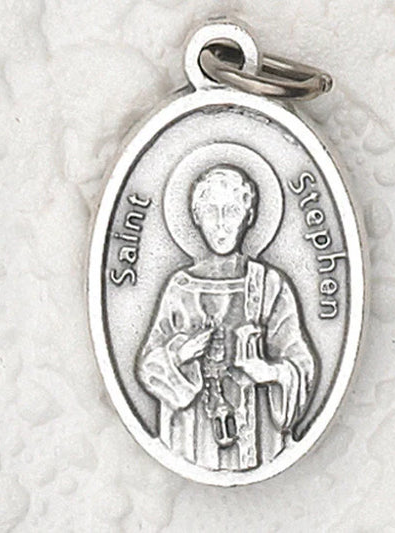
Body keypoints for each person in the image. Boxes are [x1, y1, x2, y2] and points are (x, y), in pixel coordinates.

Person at [135, 164, 318, 471]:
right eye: (211, 211)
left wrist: (267, 372)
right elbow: (148, 365)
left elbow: (300, 364)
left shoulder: (269, 285)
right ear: (196, 217)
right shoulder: (180, 288)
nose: (221, 224)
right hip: (191, 439)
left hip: (256, 434)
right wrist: (180, 354)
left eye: (231, 211)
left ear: (248, 216)